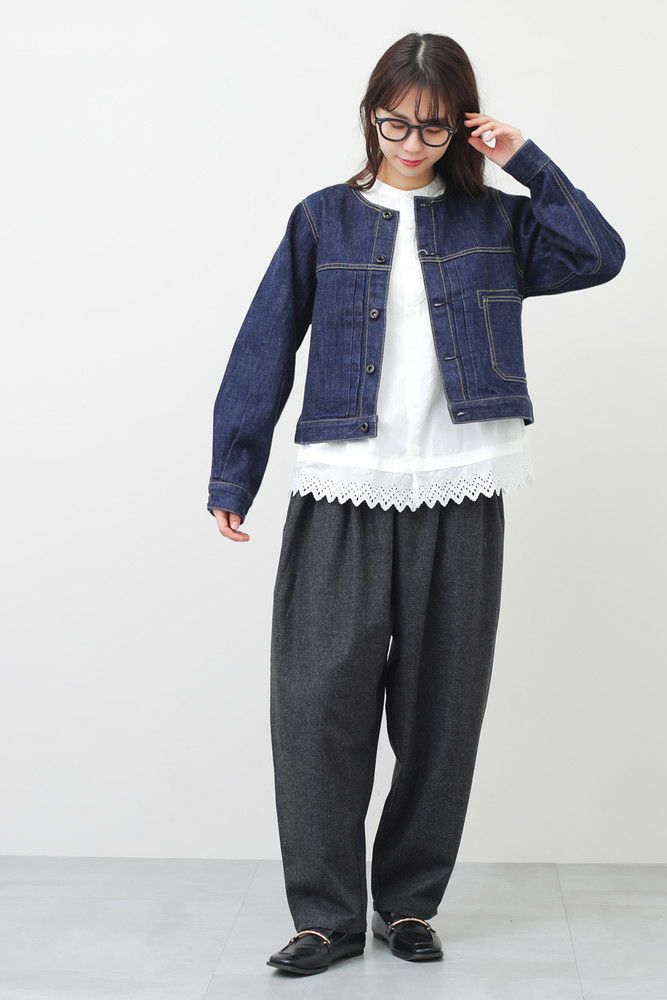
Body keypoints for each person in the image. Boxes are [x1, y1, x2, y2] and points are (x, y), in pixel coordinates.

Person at [207, 32, 625, 976]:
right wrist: (235, 473)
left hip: (459, 483)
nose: (410, 143)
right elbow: (263, 344)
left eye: (434, 129)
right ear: (370, 116)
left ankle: (407, 905)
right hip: (344, 487)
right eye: (395, 124)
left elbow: (600, 254)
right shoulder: (322, 219)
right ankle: (325, 917)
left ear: (463, 128)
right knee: (317, 708)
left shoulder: (498, 223)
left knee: (441, 713)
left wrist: (527, 160)